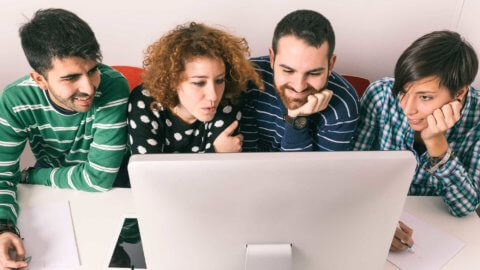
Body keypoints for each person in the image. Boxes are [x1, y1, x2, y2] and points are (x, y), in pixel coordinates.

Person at [0, 8, 130, 268]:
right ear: (39, 79)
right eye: (71, 78)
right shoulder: (15, 99)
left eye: (93, 70)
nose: (89, 87)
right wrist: (4, 228)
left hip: (110, 190)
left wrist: (31, 175)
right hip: (57, 196)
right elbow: (3, 175)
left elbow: (99, 179)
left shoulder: (113, 85)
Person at [352, 30, 479, 252]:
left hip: (441, 237)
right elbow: (352, 175)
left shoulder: (477, 118)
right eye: (403, 92)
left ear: (459, 93)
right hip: (376, 216)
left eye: (424, 97)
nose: (407, 108)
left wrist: (437, 144)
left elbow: (465, 207)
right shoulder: (380, 95)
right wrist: (377, 221)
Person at [128, 22, 262, 154]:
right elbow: (147, 171)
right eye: (199, 83)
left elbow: (219, 174)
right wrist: (215, 151)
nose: (213, 96)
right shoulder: (144, 101)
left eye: (219, 80)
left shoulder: (228, 100)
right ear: (173, 81)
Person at [240, 9, 359, 152]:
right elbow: (245, 159)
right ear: (272, 58)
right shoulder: (247, 79)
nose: (299, 87)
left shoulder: (344, 105)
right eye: (288, 70)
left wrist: (297, 120)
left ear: (331, 64)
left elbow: (309, 172)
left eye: (314, 73)